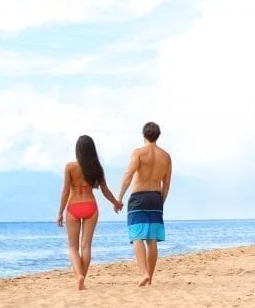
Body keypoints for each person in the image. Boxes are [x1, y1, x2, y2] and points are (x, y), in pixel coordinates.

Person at [56, 135, 121, 290]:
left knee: (73, 247)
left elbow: (65, 191)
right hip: (90, 206)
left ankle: (79, 275)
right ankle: (82, 280)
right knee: (86, 246)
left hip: (73, 207)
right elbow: (105, 190)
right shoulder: (96, 168)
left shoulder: (70, 167)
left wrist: (59, 212)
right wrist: (116, 203)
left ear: (77, 150)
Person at [116, 121, 172, 287]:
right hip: (156, 196)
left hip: (139, 196)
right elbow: (166, 184)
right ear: (158, 135)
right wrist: (161, 201)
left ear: (143, 135)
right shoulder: (166, 156)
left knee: (137, 236)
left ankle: (144, 273)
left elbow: (128, 174)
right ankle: (150, 278)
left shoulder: (139, 153)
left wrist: (119, 198)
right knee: (152, 239)